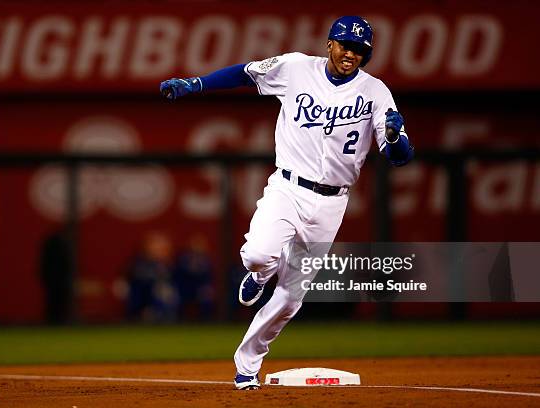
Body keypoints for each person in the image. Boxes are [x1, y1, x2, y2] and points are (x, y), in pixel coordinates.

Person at [160, 16, 413, 390]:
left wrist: (395, 138)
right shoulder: (296, 68)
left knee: (292, 296)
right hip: (288, 188)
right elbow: (245, 73)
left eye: (360, 50)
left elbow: (399, 157)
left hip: (332, 202)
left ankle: (247, 365)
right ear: (330, 44)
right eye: (345, 45)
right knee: (260, 255)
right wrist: (196, 84)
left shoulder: (376, 92)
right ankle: (259, 274)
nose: (351, 54)